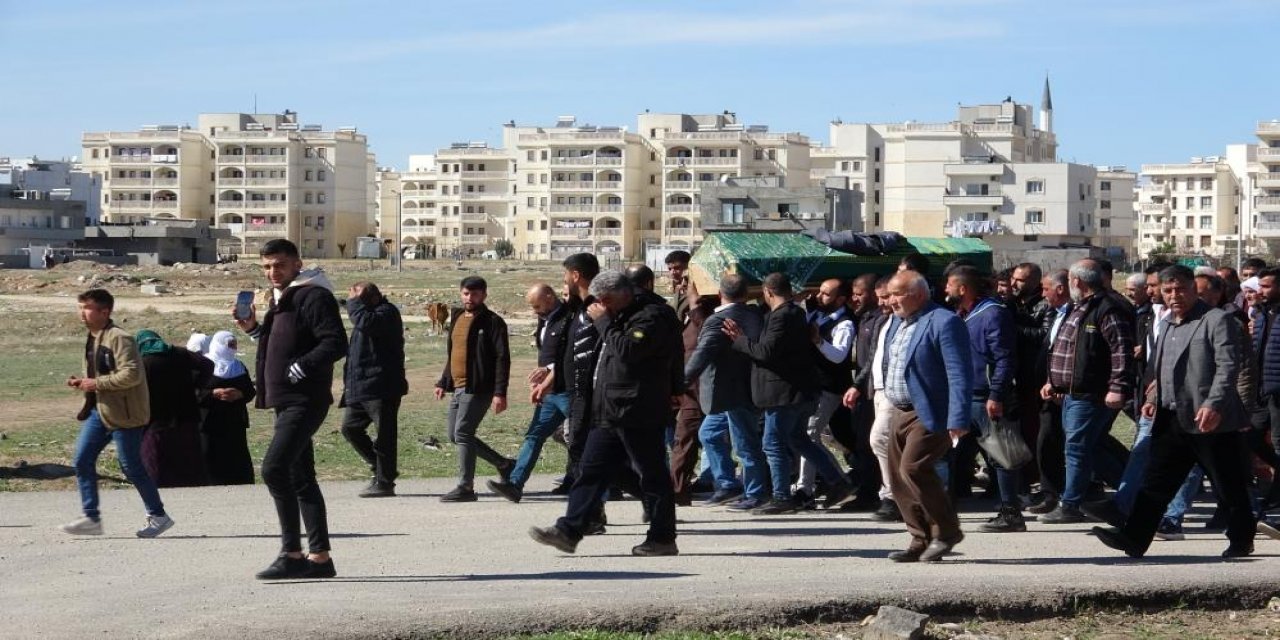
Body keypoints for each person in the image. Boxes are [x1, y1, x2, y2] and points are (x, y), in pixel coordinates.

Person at [1093, 265, 1256, 559]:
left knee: (1228, 484)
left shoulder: (1217, 320)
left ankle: (1242, 538)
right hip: (1171, 417)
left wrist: (1213, 403)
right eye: (1168, 290)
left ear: (1193, 289)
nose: (1174, 296)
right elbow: (1161, 368)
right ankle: (1133, 538)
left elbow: (1228, 366)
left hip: (1208, 419)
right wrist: (1154, 396)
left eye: (1180, 289)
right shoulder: (1167, 323)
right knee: (1155, 482)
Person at [528, 269, 683, 557]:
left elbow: (628, 351)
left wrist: (604, 323)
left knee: (652, 475)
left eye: (606, 301)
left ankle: (662, 537)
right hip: (610, 410)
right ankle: (569, 530)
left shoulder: (651, 316)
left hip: (639, 409)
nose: (602, 307)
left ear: (623, 294)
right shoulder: (619, 315)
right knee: (590, 469)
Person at [235, 239, 347, 580]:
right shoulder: (284, 298)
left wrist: (305, 365)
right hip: (285, 400)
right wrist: (253, 329)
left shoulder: (313, 295)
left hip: (304, 399)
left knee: (273, 469)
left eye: (279, 265)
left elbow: (336, 341)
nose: (272, 272)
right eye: (267, 267)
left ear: (298, 263)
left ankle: (292, 553)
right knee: (301, 477)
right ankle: (320, 559)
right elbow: (282, 342)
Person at [722, 273, 858, 515]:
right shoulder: (796, 313)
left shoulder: (783, 316)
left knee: (772, 443)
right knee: (798, 439)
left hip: (784, 392)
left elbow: (766, 352)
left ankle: (782, 496)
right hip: (799, 391)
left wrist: (740, 340)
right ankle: (837, 482)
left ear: (768, 292)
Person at [60, 289, 174, 539]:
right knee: (81, 459)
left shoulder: (120, 338)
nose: (82, 312)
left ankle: (158, 515)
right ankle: (91, 517)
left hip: (126, 414)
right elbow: (100, 373)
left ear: (105, 311)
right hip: (100, 411)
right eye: (80, 306)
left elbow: (131, 374)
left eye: (87, 307)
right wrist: (84, 383)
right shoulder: (93, 337)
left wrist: (96, 384)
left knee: (131, 467)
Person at [878, 270, 972, 561]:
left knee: (914, 468)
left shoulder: (945, 322)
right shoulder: (896, 322)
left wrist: (958, 417)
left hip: (932, 411)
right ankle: (919, 538)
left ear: (918, 294)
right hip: (899, 410)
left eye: (896, 294)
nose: (890, 301)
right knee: (896, 478)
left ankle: (946, 531)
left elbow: (959, 374)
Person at [1039, 259, 1133, 524]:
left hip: (1091, 394)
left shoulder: (1106, 309)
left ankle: (1070, 504)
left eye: (1070, 281)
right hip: (1071, 393)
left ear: (1077, 282)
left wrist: (1118, 387)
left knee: (1077, 449)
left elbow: (1121, 350)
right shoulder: (1078, 309)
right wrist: (1053, 381)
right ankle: (1132, 494)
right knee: (1090, 449)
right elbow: (1066, 349)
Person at [684, 273, 767, 510]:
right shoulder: (754, 314)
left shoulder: (719, 320)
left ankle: (755, 492)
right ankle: (728, 484)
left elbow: (701, 356)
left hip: (731, 392)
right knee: (709, 434)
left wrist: (680, 382)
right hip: (738, 391)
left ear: (720, 294)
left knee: (745, 444)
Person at [434, 276, 514, 502]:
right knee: (454, 435)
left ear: (484, 295)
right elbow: (454, 354)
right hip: (459, 386)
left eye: (475, 294)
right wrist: (443, 381)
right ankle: (504, 464)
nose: (470, 298)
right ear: (461, 293)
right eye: (466, 294)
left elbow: (502, 358)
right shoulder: (457, 316)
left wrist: (500, 392)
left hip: (480, 387)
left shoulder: (492, 322)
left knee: (463, 433)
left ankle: (466, 486)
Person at [490, 284, 572, 503]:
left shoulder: (570, 318)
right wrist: (542, 381)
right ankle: (515, 485)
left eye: (537, 305)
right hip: (550, 392)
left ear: (549, 297)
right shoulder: (545, 319)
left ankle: (610, 485)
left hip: (569, 391)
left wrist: (549, 372)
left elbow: (570, 356)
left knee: (582, 440)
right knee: (534, 434)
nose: (535, 310)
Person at [339, 282, 408, 498]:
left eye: (359, 301)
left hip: (382, 385)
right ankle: (380, 467)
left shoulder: (386, 313)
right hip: (360, 386)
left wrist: (353, 305)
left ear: (373, 298)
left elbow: (365, 321)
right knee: (350, 428)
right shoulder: (364, 313)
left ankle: (385, 481)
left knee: (385, 436)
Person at [794, 278, 855, 508]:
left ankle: (813, 486)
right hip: (812, 387)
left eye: (826, 294)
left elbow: (838, 355)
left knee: (809, 435)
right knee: (807, 435)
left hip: (828, 388)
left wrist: (818, 341)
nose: (819, 297)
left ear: (840, 299)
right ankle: (817, 484)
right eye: (819, 292)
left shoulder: (845, 323)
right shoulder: (816, 313)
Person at [846, 275, 900, 521]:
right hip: (874, 390)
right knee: (875, 442)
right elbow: (873, 358)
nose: (883, 303)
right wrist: (859, 385)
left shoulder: (904, 321)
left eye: (886, 297)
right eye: (880, 298)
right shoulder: (883, 321)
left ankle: (892, 496)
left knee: (880, 440)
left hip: (893, 391)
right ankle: (885, 494)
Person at [136, 329, 213, 488]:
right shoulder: (180, 353)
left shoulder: (141, 363)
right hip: (187, 419)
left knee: (156, 466)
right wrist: (197, 385)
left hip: (156, 422)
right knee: (189, 465)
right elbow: (208, 364)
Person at [199, 330, 256, 485]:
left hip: (234, 422)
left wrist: (240, 394)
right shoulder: (203, 365)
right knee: (210, 458)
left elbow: (250, 391)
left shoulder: (238, 366)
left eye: (234, 344)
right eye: (229, 345)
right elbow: (192, 393)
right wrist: (213, 394)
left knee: (236, 458)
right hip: (209, 422)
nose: (232, 348)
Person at [665, 250, 693, 322]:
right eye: (670, 269)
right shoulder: (676, 290)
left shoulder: (697, 292)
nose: (672, 272)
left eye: (677, 268)